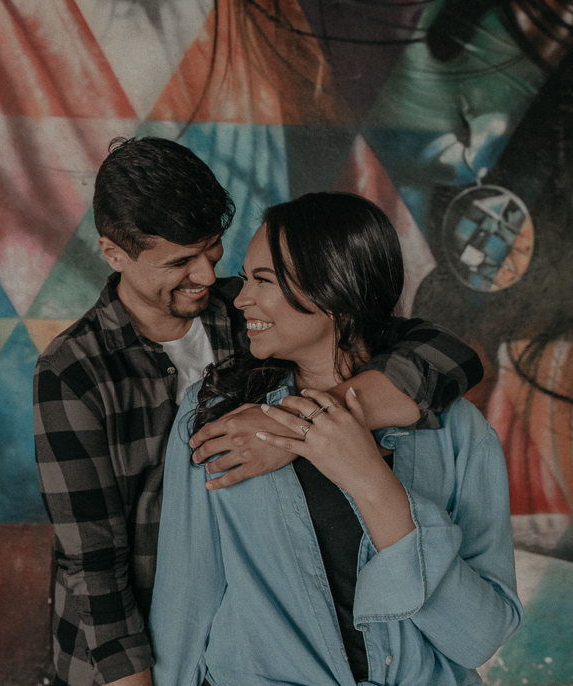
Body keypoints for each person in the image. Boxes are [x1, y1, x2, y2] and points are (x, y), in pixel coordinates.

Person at [33, 138, 485, 686]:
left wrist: (292, 426)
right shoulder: (74, 373)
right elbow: (93, 566)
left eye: (213, 250)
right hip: (126, 656)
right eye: (180, 261)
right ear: (114, 254)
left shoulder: (253, 315)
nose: (206, 276)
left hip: (251, 637)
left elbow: (443, 353)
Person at [148, 192, 520, 686]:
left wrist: (372, 483)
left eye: (263, 280)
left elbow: (479, 638)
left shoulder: (457, 432)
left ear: (333, 293)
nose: (239, 298)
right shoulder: (215, 417)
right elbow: (184, 607)